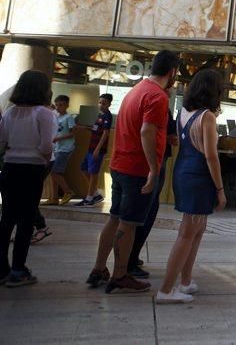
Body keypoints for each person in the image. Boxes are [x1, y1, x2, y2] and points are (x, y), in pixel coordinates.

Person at [86, 50, 179, 293]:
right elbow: (147, 131)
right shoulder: (157, 97)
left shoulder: (135, 90)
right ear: (172, 72)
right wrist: (152, 168)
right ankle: (120, 274)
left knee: (115, 217)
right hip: (137, 169)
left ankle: (98, 268)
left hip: (119, 165)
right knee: (129, 223)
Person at [157, 69, 227, 303]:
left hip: (183, 170)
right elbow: (211, 156)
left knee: (195, 231)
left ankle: (185, 281)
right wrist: (220, 189)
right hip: (199, 175)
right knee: (188, 233)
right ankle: (166, 290)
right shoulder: (207, 116)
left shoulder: (183, 112)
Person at [0, 70, 57, 287]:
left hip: (10, 168)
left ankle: (1, 268)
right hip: (32, 170)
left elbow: (1, 142)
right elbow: (46, 146)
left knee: (6, 220)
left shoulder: (10, 112)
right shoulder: (44, 113)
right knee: (25, 221)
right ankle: (18, 270)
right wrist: (44, 157)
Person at [128, 111, 178, 279]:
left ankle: (130, 257)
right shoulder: (158, 102)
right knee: (146, 211)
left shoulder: (138, 98)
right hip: (154, 162)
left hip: (140, 163)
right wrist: (154, 168)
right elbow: (152, 132)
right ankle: (130, 260)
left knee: (139, 212)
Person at [74, 93, 113, 207]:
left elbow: (105, 134)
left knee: (93, 173)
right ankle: (95, 194)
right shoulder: (100, 115)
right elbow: (96, 130)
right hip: (90, 148)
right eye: (100, 102)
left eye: (104, 103)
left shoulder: (107, 116)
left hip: (97, 150)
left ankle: (89, 198)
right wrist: (84, 128)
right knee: (84, 169)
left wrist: (97, 149)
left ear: (109, 104)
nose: (101, 105)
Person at [42, 95, 76, 206]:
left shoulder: (68, 117)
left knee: (55, 172)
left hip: (65, 149)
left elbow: (73, 133)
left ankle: (68, 191)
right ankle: (54, 198)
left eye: (61, 105)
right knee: (53, 173)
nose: (58, 107)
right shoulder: (56, 116)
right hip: (57, 148)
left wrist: (58, 138)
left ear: (67, 106)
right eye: (57, 105)